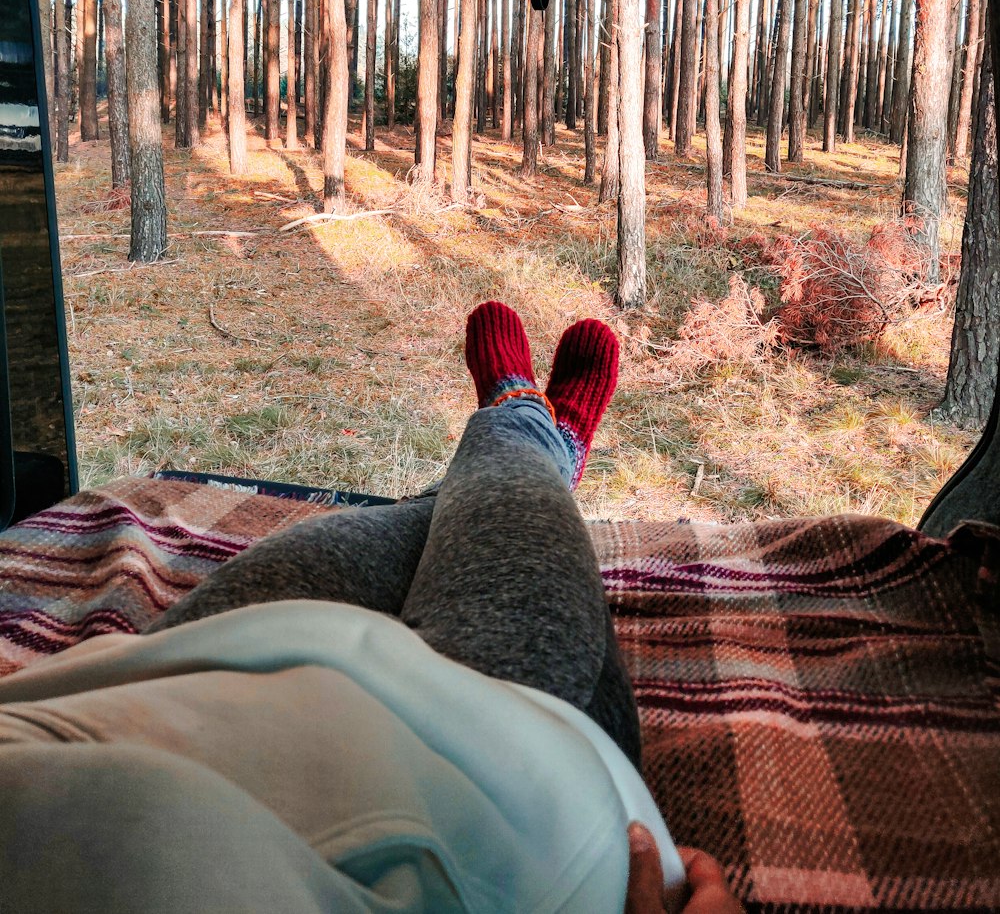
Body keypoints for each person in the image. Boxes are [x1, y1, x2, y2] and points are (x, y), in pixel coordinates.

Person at [0, 302, 741, 913]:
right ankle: (529, 430)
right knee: (501, 506)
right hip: (499, 806)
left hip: (131, 701)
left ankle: (516, 432)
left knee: (417, 523)